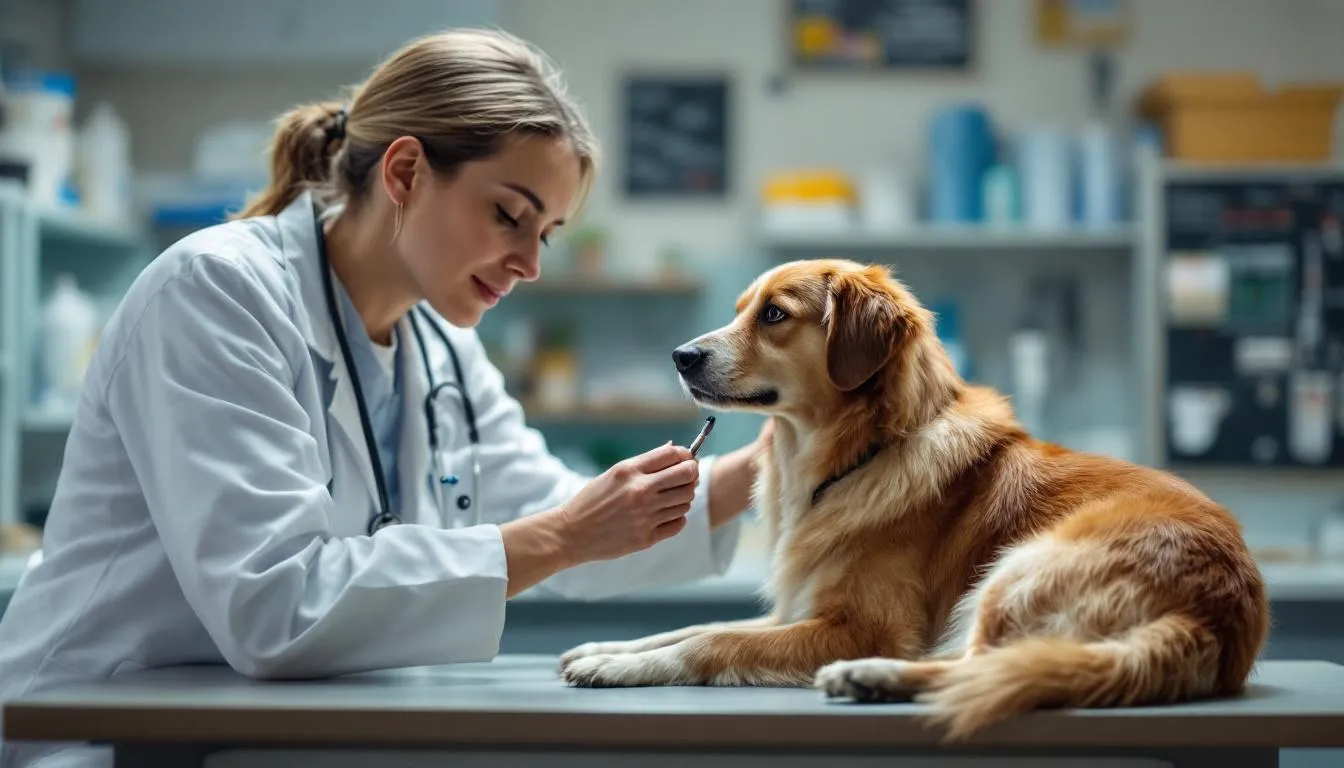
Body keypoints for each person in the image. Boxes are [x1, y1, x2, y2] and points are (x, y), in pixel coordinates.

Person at [0, 28, 767, 768]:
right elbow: (275, 604)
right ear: (404, 173)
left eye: (547, 234)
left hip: (261, 734)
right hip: (95, 734)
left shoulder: (438, 344)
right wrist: (566, 534)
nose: (529, 263)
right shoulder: (216, 292)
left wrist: (766, 467)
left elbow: (549, 507)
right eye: (509, 215)